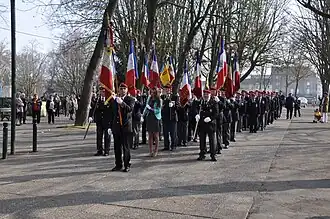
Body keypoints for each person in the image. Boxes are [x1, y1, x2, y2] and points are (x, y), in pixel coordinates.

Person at [110, 83, 135, 172]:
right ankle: (118, 164)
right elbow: (113, 113)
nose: (122, 90)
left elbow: (130, 109)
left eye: (124, 88)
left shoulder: (130, 99)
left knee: (126, 147)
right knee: (117, 147)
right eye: (121, 88)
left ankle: (127, 164)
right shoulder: (115, 100)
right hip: (117, 127)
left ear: (127, 90)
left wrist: (122, 103)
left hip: (126, 127)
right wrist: (110, 126)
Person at [196, 90, 218, 161]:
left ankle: (213, 155)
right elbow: (195, 109)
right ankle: (202, 154)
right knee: (202, 140)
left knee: (212, 141)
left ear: (210, 95)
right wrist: (196, 115)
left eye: (207, 94)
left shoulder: (214, 102)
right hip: (202, 124)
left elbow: (216, 113)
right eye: (204, 94)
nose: (205, 96)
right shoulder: (201, 102)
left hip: (210, 125)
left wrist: (210, 118)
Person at [142, 87, 162, 157]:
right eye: (151, 92)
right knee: (150, 135)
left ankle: (156, 151)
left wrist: (151, 109)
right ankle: (150, 151)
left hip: (155, 118)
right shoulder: (149, 98)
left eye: (154, 92)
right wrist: (143, 115)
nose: (152, 94)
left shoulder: (159, 100)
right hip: (149, 117)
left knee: (156, 135)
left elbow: (158, 110)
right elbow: (146, 107)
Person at [93, 87, 112, 156]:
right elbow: (94, 109)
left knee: (107, 136)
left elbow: (111, 111)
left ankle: (107, 150)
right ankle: (99, 150)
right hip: (99, 121)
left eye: (104, 91)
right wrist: (91, 116)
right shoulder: (97, 100)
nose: (102, 93)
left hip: (107, 121)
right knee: (99, 136)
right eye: (101, 91)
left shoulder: (110, 100)